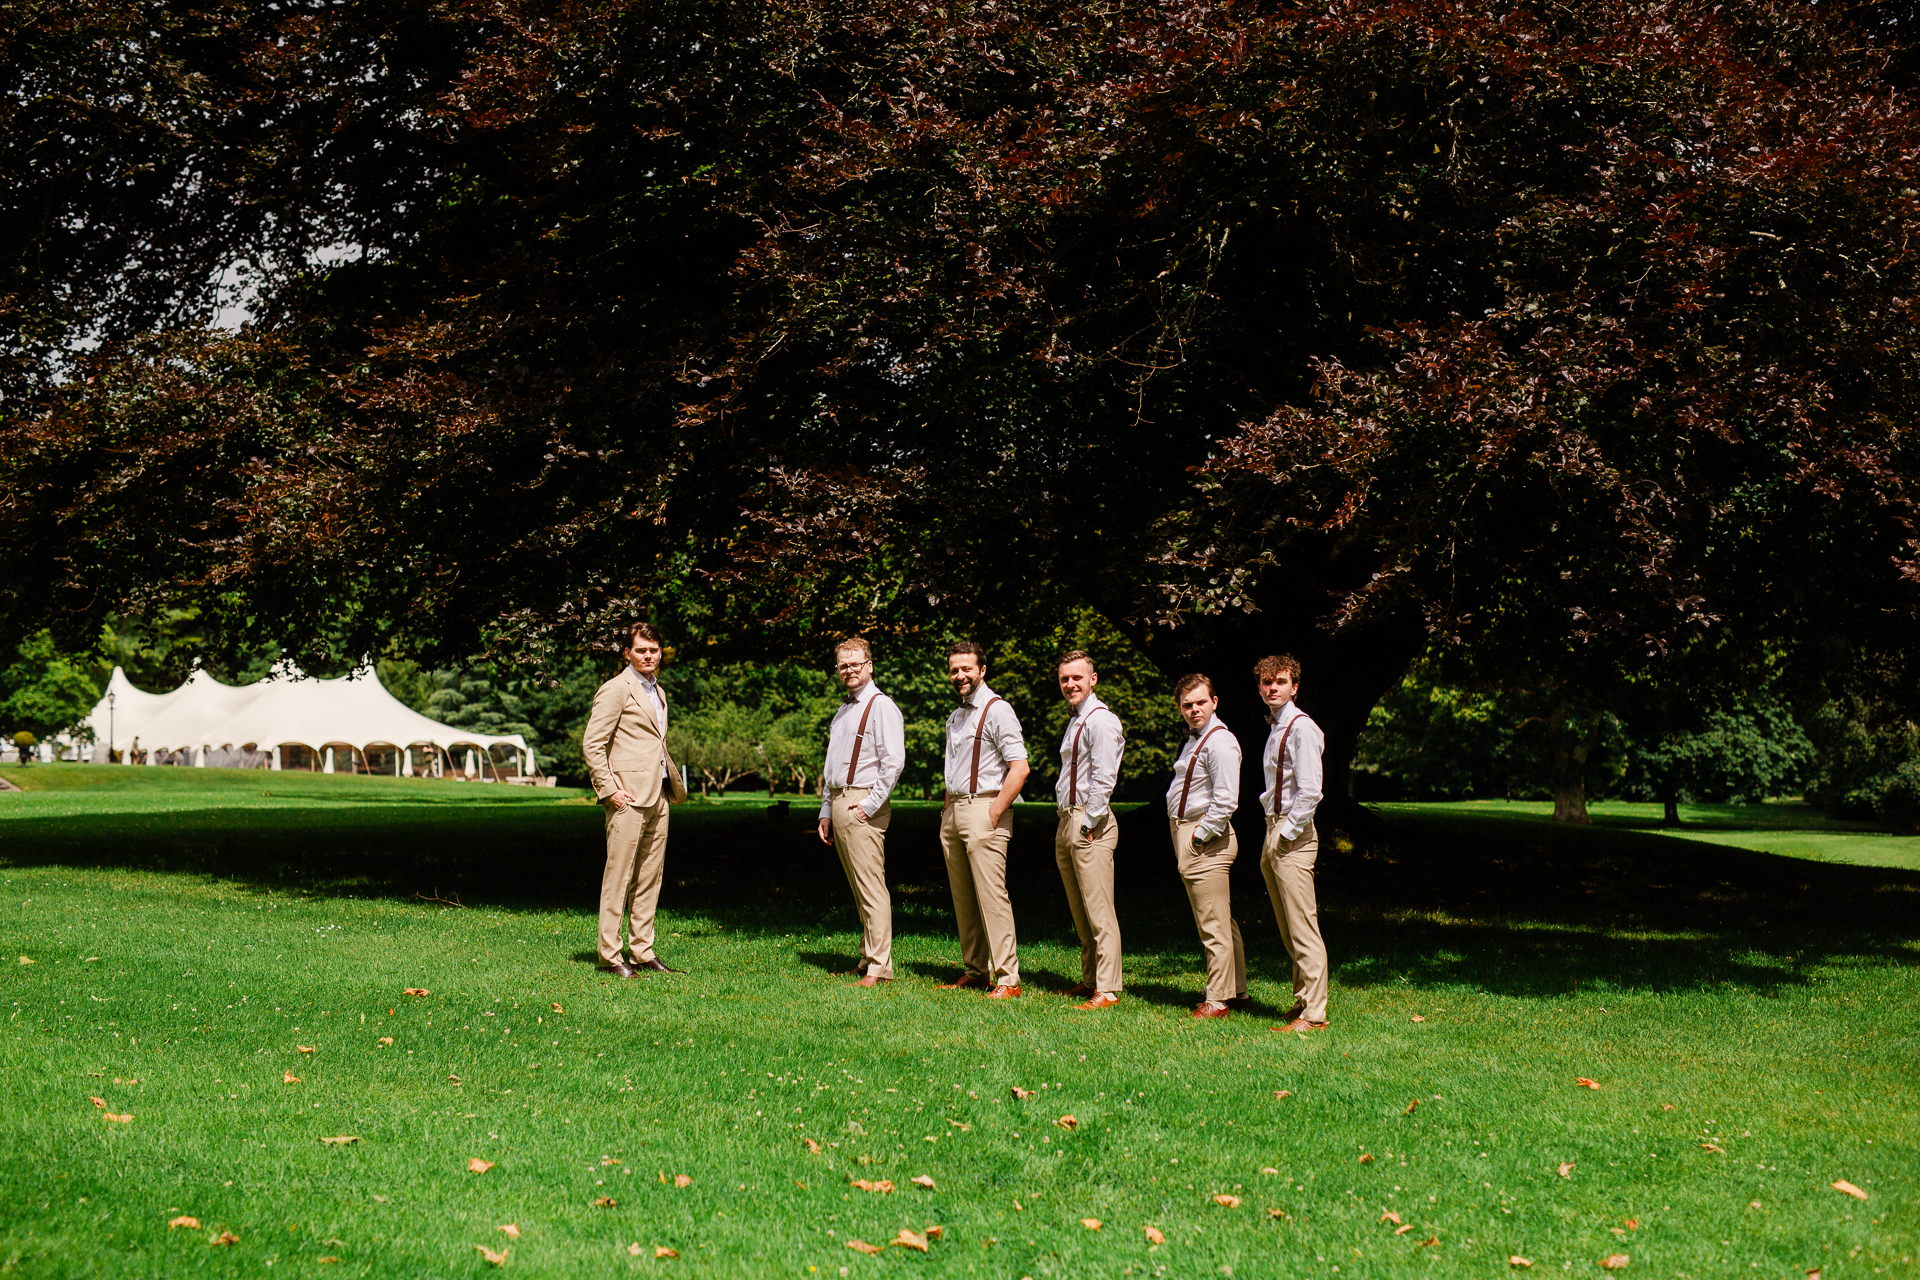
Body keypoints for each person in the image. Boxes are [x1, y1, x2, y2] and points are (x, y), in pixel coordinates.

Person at [581, 622, 689, 978]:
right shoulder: (616, 689)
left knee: (649, 877)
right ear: (627, 652)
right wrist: (609, 790)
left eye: (654, 650)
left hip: (658, 794)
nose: (648, 656)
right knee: (619, 876)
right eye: (641, 650)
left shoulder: (656, 690)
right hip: (626, 798)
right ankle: (610, 956)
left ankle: (642, 950)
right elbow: (592, 744)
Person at [936, 640, 1030, 998]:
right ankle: (976, 970)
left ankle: (1007, 978)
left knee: (992, 896)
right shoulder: (957, 716)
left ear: (982, 670)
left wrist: (993, 812)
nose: (959, 675)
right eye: (954, 670)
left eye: (966, 669)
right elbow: (953, 769)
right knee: (963, 897)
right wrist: (947, 810)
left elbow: (1019, 768)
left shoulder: (997, 710)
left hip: (985, 809)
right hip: (955, 811)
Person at [816, 635, 906, 987]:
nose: (849, 670)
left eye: (856, 664)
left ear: (869, 665)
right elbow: (831, 765)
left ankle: (880, 968)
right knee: (859, 888)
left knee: (871, 888)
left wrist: (869, 806)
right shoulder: (844, 710)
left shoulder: (881, 706)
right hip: (840, 800)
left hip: (862, 803)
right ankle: (868, 956)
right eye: (843, 665)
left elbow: (893, 763)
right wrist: (826, 809)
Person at [1256, 654, 1330, 1033]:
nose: (1273, 688)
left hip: (1293, 832)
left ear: (1294, 687)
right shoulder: (1277, 727)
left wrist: (1285, 835)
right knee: (1287, 924)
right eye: (1267, 682)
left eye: (1280, 682)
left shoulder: (1302, 728)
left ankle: (1315, 1014)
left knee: (1302, 922)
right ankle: (1303, 999)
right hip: (1276, 828)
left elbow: (1311, 791)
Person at [1166, 672, 1245, 1019]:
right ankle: (1237, 989)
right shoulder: (1197, 740)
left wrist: (1200, 835)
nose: (1194, 709)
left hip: (1205, 838)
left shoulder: (1220, 742)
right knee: (1221, 920)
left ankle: (1217, 999)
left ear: (1214, 702)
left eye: (1200, 702)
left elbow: (1226, 799)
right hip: (1191, 833)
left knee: (1212, 923)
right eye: (1187, 705)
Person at [1054, 650, 1126, 1009]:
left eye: (1077, 678)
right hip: (1069, 819)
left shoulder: (1101, 721)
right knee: (1080, 909)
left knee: (1098, 908)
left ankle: (1108, 988)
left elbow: (1104, 777)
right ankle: (1090, 978)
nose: (1070, 684)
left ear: (1092, 679)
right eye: (1065, 678)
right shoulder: (1076, 720)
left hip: (1089, 822)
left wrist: (1089, 821)